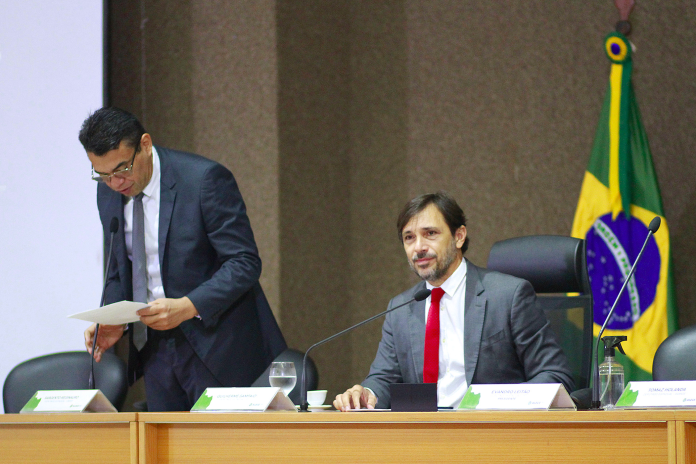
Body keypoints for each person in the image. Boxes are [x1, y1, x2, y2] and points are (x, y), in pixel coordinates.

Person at [80, 107, 286, 411]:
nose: (115, 183)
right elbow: (119, 269)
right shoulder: (109, 194)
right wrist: (115, 320)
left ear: (145, 145)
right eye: (102, 174)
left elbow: (244, 262)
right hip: (155, 350)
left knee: (222, 453)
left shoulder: (203, 180)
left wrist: (188, 306)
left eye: (122, 170)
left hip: (217, 345)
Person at [333, 192, 573, 411]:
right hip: (422, 439)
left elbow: (555, 375)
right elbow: (384, 379)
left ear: (459, 237)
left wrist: (500, 401)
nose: (419, 247)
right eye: (409, 238)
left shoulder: (508, 296)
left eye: (430, 234)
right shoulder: (401, 308)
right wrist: (366, 393)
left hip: (492, 437)